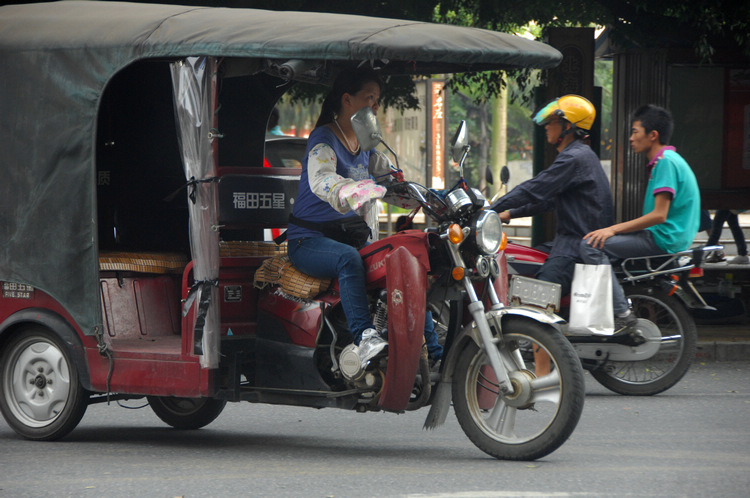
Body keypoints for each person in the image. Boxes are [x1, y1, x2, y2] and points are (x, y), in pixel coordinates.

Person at [285, 68, 442, 368]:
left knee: (406, 259)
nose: (375, 107)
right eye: (369, 99)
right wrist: (357, 189)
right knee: (348, 260)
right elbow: (322, 181)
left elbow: (393, 187)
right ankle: (365, 337)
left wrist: (434, 199)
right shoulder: (324, 140)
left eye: (377, 100)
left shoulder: (366, 147)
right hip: (309, 242)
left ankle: (435, 354)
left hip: (349, 238)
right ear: (347, 100)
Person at [581, 104, 701, 333]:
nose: (630, 138)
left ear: (652, 135)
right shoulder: (670, 160)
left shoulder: (665, 162)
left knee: (590, 246)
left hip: (662, 239)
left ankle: (622, 313)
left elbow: (659, 215)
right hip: (667, 237)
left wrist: (613, 230)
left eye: (635, 132)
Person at [491, 94, 614, 298]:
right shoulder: (581, 154)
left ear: (568, 126)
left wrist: (490, 209)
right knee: (525, 259)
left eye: (552, 121)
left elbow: (534, 188)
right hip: (573, 240)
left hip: (576, 246)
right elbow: (547, 201)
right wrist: (507, 213)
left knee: (533, 299)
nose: (546, 126)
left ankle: (532, 329)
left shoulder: (574, 158)